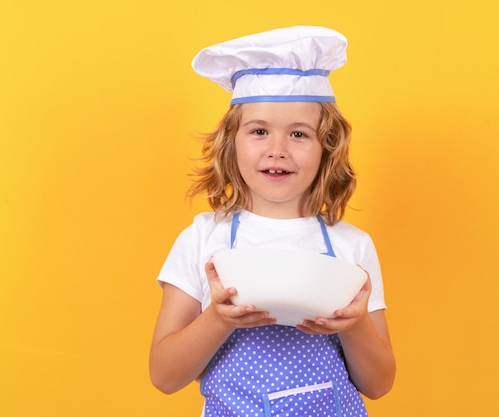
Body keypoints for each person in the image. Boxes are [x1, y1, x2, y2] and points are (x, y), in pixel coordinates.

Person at [149, 26, 396, 417]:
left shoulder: (353, 247)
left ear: (326, 148)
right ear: (231, 143)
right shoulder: (202, 239)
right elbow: (164, 376)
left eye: (299, 134)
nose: (277, 150)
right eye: (259, 131)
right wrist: (217, 319)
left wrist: (355, 324)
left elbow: (379, 384)